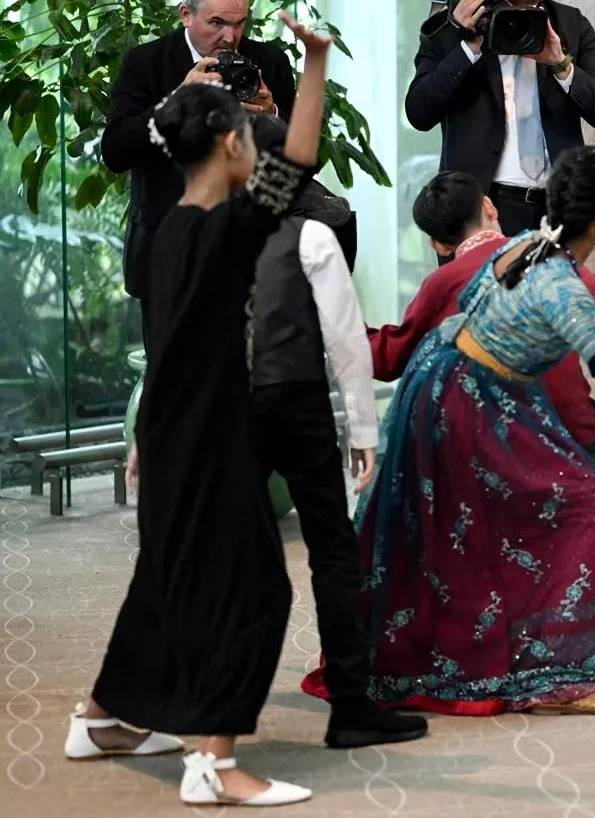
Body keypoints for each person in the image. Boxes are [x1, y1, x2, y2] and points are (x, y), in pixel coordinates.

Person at [354, 146, 595, 716]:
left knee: (527, 517)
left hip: (460, 384)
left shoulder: (530, 245)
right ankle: (557, 678)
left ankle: (532, 650)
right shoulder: (560, 283)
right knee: (587, 507)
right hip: (468, 399)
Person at [65, 13, 329, 807]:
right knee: (253, 591)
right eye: (249, 135)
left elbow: (169, 353)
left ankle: (102, 720)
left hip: (174, 435)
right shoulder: (227, 232)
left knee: (165, 583)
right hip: (211, 441)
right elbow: (300, 161)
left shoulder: (173, 234)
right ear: (228, 146)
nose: (258, 145)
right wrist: (316, 61)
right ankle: (213, 763)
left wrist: (147, 439)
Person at [335, 170, 595, 673]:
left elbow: (391, 355)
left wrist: (338, 327)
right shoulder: (544, 253)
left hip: (486, 431)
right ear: (491, 206)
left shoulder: (443, 281)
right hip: (558, 416)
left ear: (438, 243)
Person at [246, 116, 431, 748]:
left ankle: (209, 697)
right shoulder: (314, 235)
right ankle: (351, 703)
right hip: (296, 400)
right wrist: (363, 431)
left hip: (233, 406)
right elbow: (346, 342)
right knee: (332, 550)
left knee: (228, 545)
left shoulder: (208, 231)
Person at [102, 0, 296, 309]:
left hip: (255, 255)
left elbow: (304, 156)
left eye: (239, 23)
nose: (230, 37)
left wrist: (272, 112)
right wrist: (174, 102)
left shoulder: (269, 61)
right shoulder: (145, 62)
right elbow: (115, 152)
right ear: (186, 15)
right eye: (217, 23)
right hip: (168, 253)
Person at [405, 0, 595, 235]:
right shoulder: (455, 23)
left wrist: (561, 63)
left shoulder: (570, 23)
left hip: (557, 208)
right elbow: (419, 113)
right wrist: (467, 47)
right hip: (479, 209)